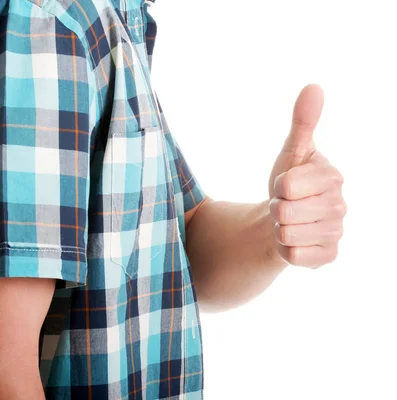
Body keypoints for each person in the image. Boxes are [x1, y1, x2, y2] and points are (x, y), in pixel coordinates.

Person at [0, 0, 347, 398]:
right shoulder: (52, 22)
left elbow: (182, 239)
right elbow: (6, 368)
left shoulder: (112, 17)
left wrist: (278, 227)